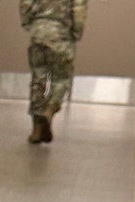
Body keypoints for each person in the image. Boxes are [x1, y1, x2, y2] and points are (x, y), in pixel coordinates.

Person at [20, 0, 89, 144]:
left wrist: (29, 24)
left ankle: (36, 130)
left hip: (38, 33)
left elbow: (25, 3)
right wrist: (77, 33)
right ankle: (49, 111)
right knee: (61, 78)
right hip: (61, 36)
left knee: (38, 79)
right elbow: (78, 9)